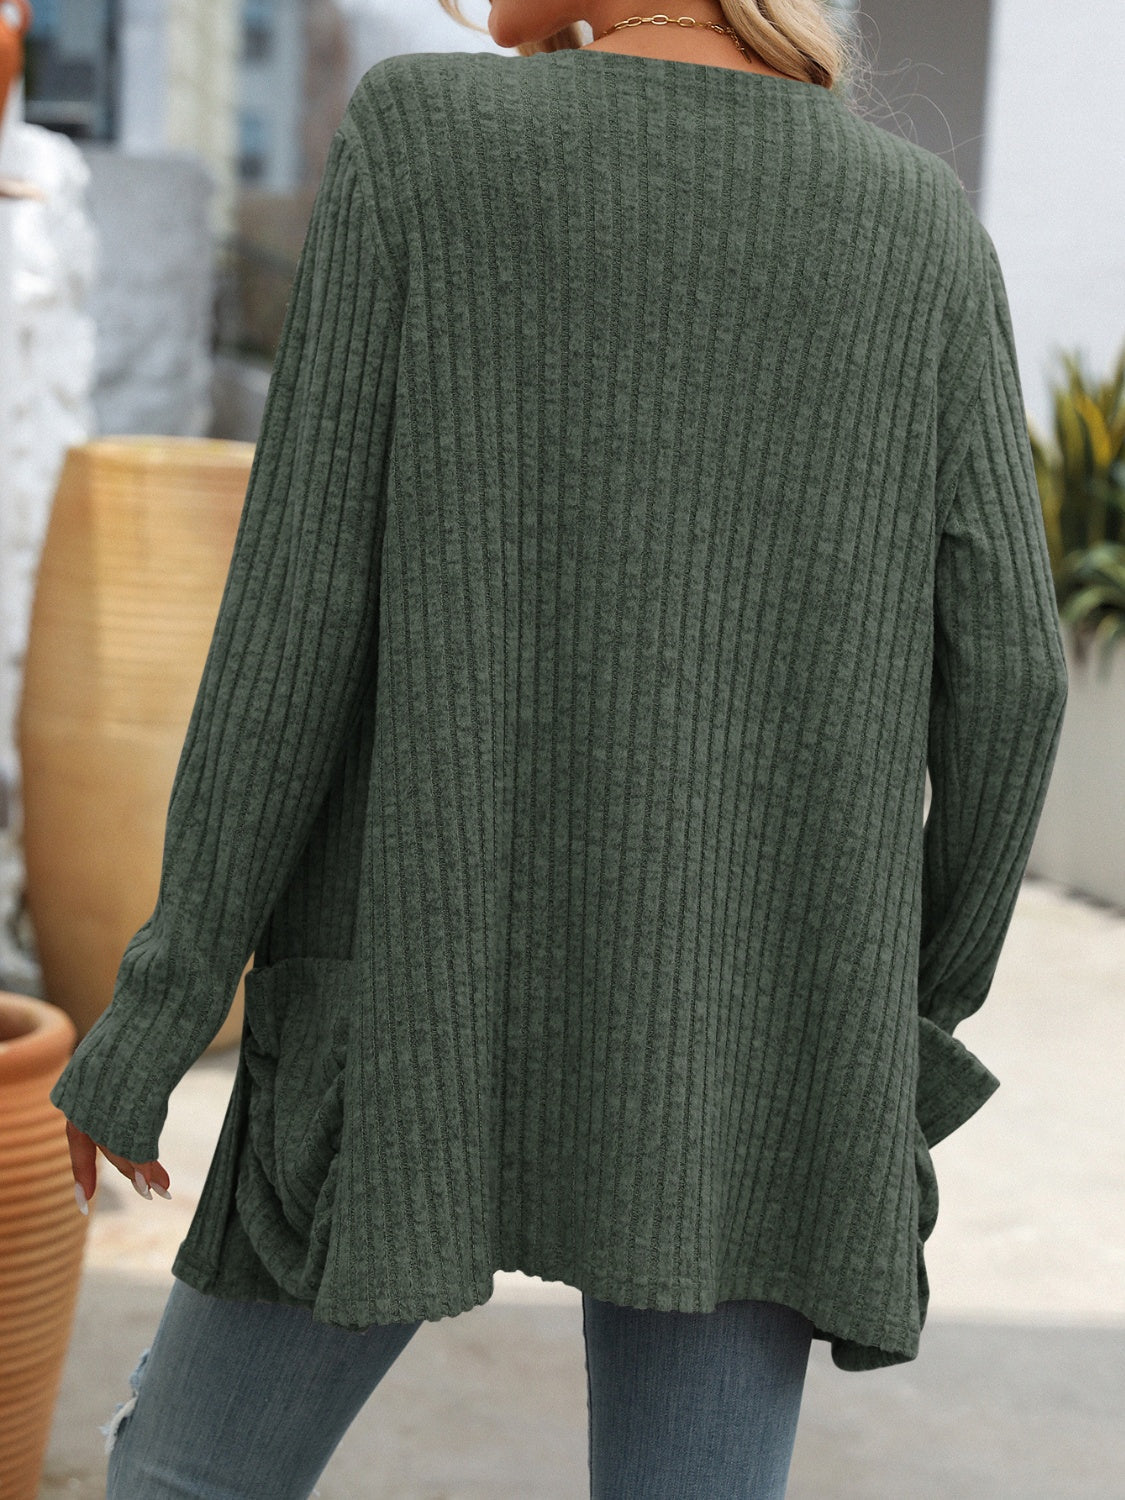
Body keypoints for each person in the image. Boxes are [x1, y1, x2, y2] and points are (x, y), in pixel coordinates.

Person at [49, 2, 1069, 1496]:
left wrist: (163, 1000)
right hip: (762, 1059)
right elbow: (1014, 683)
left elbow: (293, 619)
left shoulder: (428, 143)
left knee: (191, 1479)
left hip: (411, 1015)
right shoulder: (921, 226)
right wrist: (890, 1033)